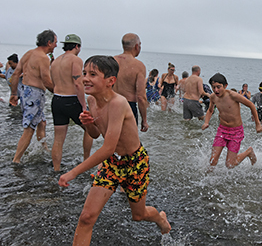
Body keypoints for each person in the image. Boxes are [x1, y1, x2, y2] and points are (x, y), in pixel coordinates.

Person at [58, 56, 171, 245]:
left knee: (139, 215)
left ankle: (160, 218)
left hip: (135, 163)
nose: (85, 78)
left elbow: (108, 148)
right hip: (112, 164)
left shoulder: (118, 103)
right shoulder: (92, 101)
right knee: (86, 217)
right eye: (85, 73)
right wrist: (88, 124)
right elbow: (95, 134)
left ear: (111, 81)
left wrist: (73, 172)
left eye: (93, 74)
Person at [9, 30, 57, 163]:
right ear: (49, 42)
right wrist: (59, 93)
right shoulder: (43, 57)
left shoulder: (28, 53)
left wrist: (14, 94)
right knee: (29, 129)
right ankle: (16, 159)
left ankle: (44, 149)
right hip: (35, 94)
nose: (56, 46)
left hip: (25, 91)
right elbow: (47, 81)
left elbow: (16, 74)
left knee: (42, 122)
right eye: (55, 42)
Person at [50, 34, 93, 171]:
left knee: (58, 139)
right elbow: (78, 84)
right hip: (71, 99)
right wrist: (84, 105)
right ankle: (86, 161)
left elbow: (53, 82)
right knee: (90, 129)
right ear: (77, 46)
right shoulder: (76, 60)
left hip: (56, 100)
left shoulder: (55, 61)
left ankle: (56, 169)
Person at [202, 73, 262, 169]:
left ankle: (248, 152)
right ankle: (206, 180)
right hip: (222, 130)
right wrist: (206, 122)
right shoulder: (213, 97)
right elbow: (210, 110)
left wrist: (257, 124)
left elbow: (251, 105)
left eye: (218, 87)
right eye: (213, 87)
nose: (216, 90)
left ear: (225, 86)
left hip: (236, 132)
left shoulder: (233, 96)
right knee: (212, 160)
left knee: (230, 165)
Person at [113, 33, 148, 132]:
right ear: (136, 46)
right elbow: (141, 97)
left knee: (112, 138)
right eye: (140, 45)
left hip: (111, 104)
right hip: (128, 107)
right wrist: (144, 120)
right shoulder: (139, 66)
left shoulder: (112, 61)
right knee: (130, 142)